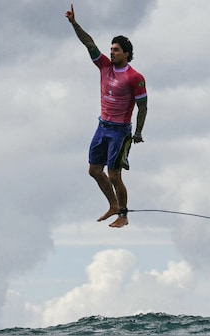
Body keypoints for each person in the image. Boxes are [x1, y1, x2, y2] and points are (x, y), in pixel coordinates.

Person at [65, 4, 148, 228]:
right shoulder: (104, 66)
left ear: (127, 54)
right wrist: (74, 23)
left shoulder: (135, 77)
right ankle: (113, 204)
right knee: (94, 170)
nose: (112, 52)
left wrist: (138, 132)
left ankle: (123, 214)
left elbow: (143, 107)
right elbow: (89, 43)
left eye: (116, 50)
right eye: (111, 49)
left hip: (120, 131)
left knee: (114, 175)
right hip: (102, 126)